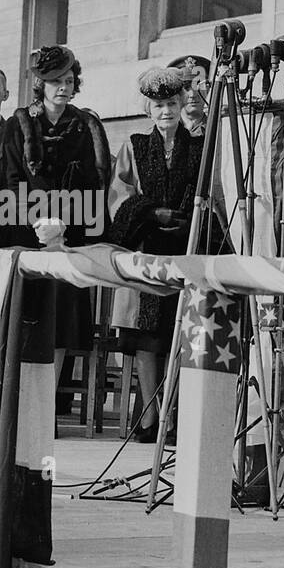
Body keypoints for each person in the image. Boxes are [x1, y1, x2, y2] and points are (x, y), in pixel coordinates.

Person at [1, 45, 111, 373]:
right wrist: (38, 220)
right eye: (55, 82)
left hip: (69, 238)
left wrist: (63, 223)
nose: (63, 87)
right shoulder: (18, 124)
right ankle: (25, 406)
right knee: (27, 318)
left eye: (68, 80)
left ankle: (52, 404)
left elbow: (95, 183)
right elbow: (10, 180)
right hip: (28, 236)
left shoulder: (86, 125)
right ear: (41, 86)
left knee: (62, 321)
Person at [107, 67, 201, 442]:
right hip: (145, 248)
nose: (166, 111)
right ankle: (150, 416)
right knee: (147, 336)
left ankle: (173, 415)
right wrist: (150, 213)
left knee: (178, 333)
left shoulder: (198, 146)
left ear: (181, 105)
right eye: (159, 105)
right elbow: (118, 197)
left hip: (184, 248)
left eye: (172, 103)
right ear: (149, 109)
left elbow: (209, 191)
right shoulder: (133, 145)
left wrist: (188, 219)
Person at [174, 55, 211, 138]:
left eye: (199, 86)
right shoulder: (165, 129)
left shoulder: (219, 128)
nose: (192, 94)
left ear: (208, 89)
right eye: (186, 87)